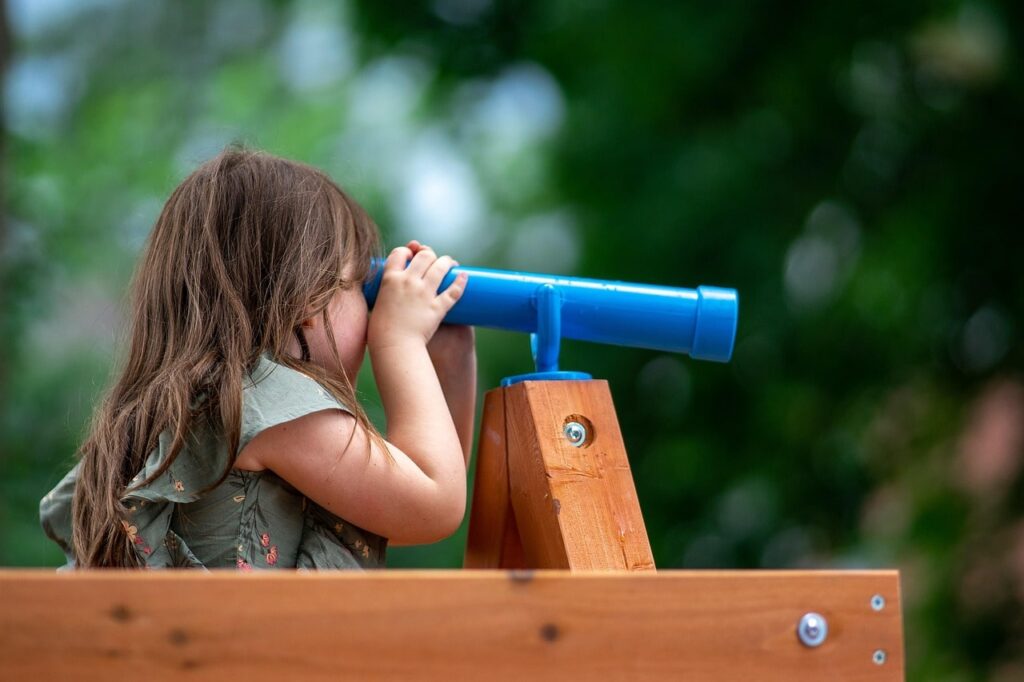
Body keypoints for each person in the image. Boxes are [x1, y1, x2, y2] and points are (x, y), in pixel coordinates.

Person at [38, 147, 476, 570]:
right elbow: (431, 503)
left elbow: (392, 512)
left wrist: (449, 362)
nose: (372, 311)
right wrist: (401, 341)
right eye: (359, 286)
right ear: (308, 299)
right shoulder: (265, 402)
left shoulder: (191, 404)